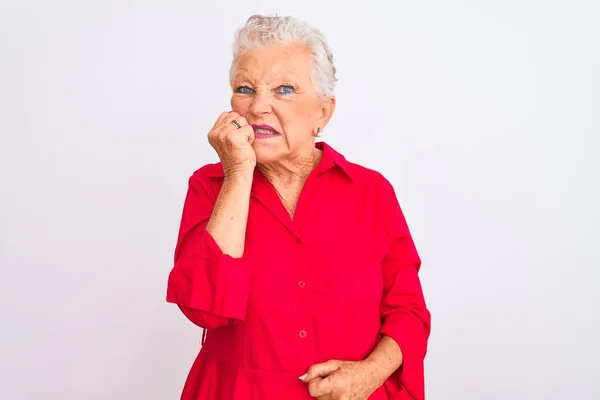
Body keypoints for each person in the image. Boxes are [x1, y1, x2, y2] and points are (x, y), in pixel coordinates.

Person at [166, 14, 431, 400]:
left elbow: (409, 313)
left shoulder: (372, 193)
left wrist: (369, 374)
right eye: (245, 88)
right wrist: (238, 171)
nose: (258, 107)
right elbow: (205, 311)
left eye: (284, 89)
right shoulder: (210, 188)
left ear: (323, 112)